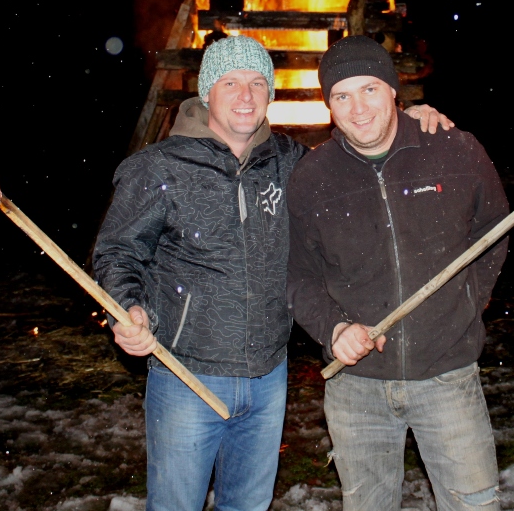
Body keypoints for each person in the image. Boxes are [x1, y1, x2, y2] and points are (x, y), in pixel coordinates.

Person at [94, 34, 451, 511]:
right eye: (231, 82)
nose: (246, 95)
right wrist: (127, 308)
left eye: (258, 83)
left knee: (248, 505)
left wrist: (408, 122)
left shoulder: (291, 163)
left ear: (270, 94)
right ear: (207, 92)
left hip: (268, 378)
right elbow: (118, 252)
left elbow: (359, 158)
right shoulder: (158, 168)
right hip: (186, 376)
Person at [287, 35, 510, 511]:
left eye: (369, 89)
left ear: (393, 90)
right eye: (342, 96)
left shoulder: (454, 150)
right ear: (328, 105)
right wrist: (334, 328)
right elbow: (297, 274)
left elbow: (493, 231)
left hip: (447, 376)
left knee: (473, 505)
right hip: (357, 387)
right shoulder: (312, 177)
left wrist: (468, 301)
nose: (358, 109)